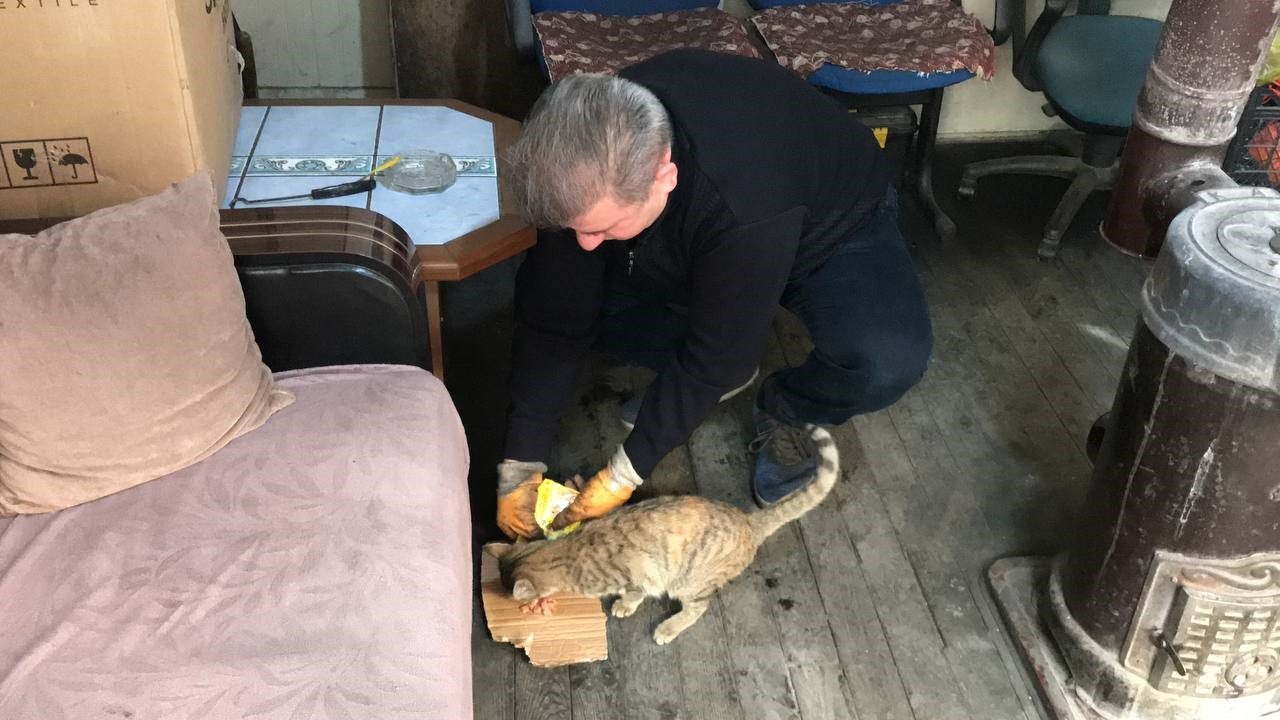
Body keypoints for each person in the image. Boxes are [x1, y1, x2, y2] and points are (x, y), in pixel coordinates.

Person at [495, 49, 932, 540]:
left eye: (599, 229)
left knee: (886, 360)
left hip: (826, 226)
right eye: (576, 228)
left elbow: (711, 358)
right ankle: (714, 364)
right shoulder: (583, 161)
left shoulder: (743, 204)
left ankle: (785, 407)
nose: (585, 244)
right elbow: (554, 315)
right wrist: (521, 458)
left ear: (664, 174)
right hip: (703, 232)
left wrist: (623, 475)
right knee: (559, 289)